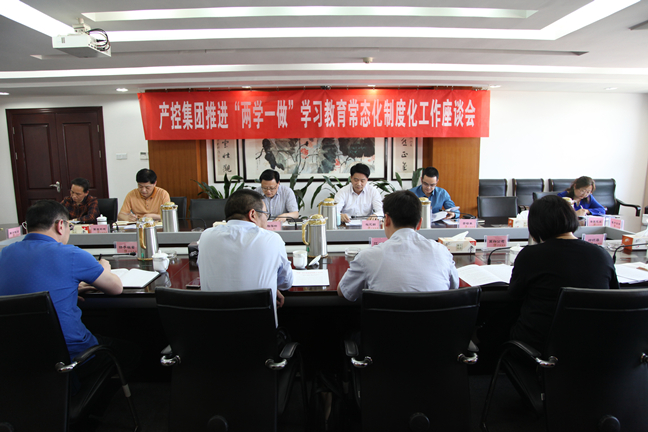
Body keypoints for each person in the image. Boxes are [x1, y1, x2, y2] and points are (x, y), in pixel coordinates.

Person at [0, 201, 139, 390]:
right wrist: (103, 267)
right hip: (68, 360)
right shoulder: (71, 254)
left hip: (17, 360)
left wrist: (69, 291)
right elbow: (116, 288)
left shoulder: (5, 253)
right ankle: (95, 399)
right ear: (60, 225)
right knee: (131, 351)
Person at [505, 195, 618, 352]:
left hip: (540, 344)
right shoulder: (601, 254)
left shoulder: (531, 255)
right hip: (593, 344)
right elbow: (614, 295)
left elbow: (514, 295)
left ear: (536, 225)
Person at [337, 190, 459, 301]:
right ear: (419, 223)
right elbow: (454, 287)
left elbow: (343, 291)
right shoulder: (442, 252)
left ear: (387, 220)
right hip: (435, 319)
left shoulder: (367, 257)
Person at [197, 189, 293, 326]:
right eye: (266, 214)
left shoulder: (206, 237)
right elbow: (286, 283)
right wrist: (270, 285)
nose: (266, 220)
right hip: (260, 334)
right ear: (253, 214)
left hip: (214, 333)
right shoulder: (272, 239)